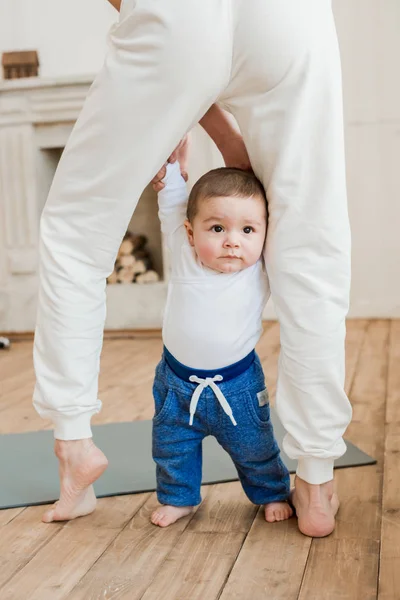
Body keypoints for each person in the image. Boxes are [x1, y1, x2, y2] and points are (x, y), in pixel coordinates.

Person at [33, 0, 351, 537]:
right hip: (292, 19)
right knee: (310, 247)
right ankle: (316, 481)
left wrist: (182, 96)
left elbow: (186, 29)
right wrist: (224, 134)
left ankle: (74, 445)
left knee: (76, 228)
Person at [150, 161, 292, 527]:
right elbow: (172, 206)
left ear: (265, 234)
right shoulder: (184, 257)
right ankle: (179, 498)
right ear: (190, 233)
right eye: (217, 228)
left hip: (238, 387)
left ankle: (272, 492)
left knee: (255, 447)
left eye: (248, 229)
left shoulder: (259, 269)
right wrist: (170, 170)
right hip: (176, 385)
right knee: (171, 448)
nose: (232, 240)